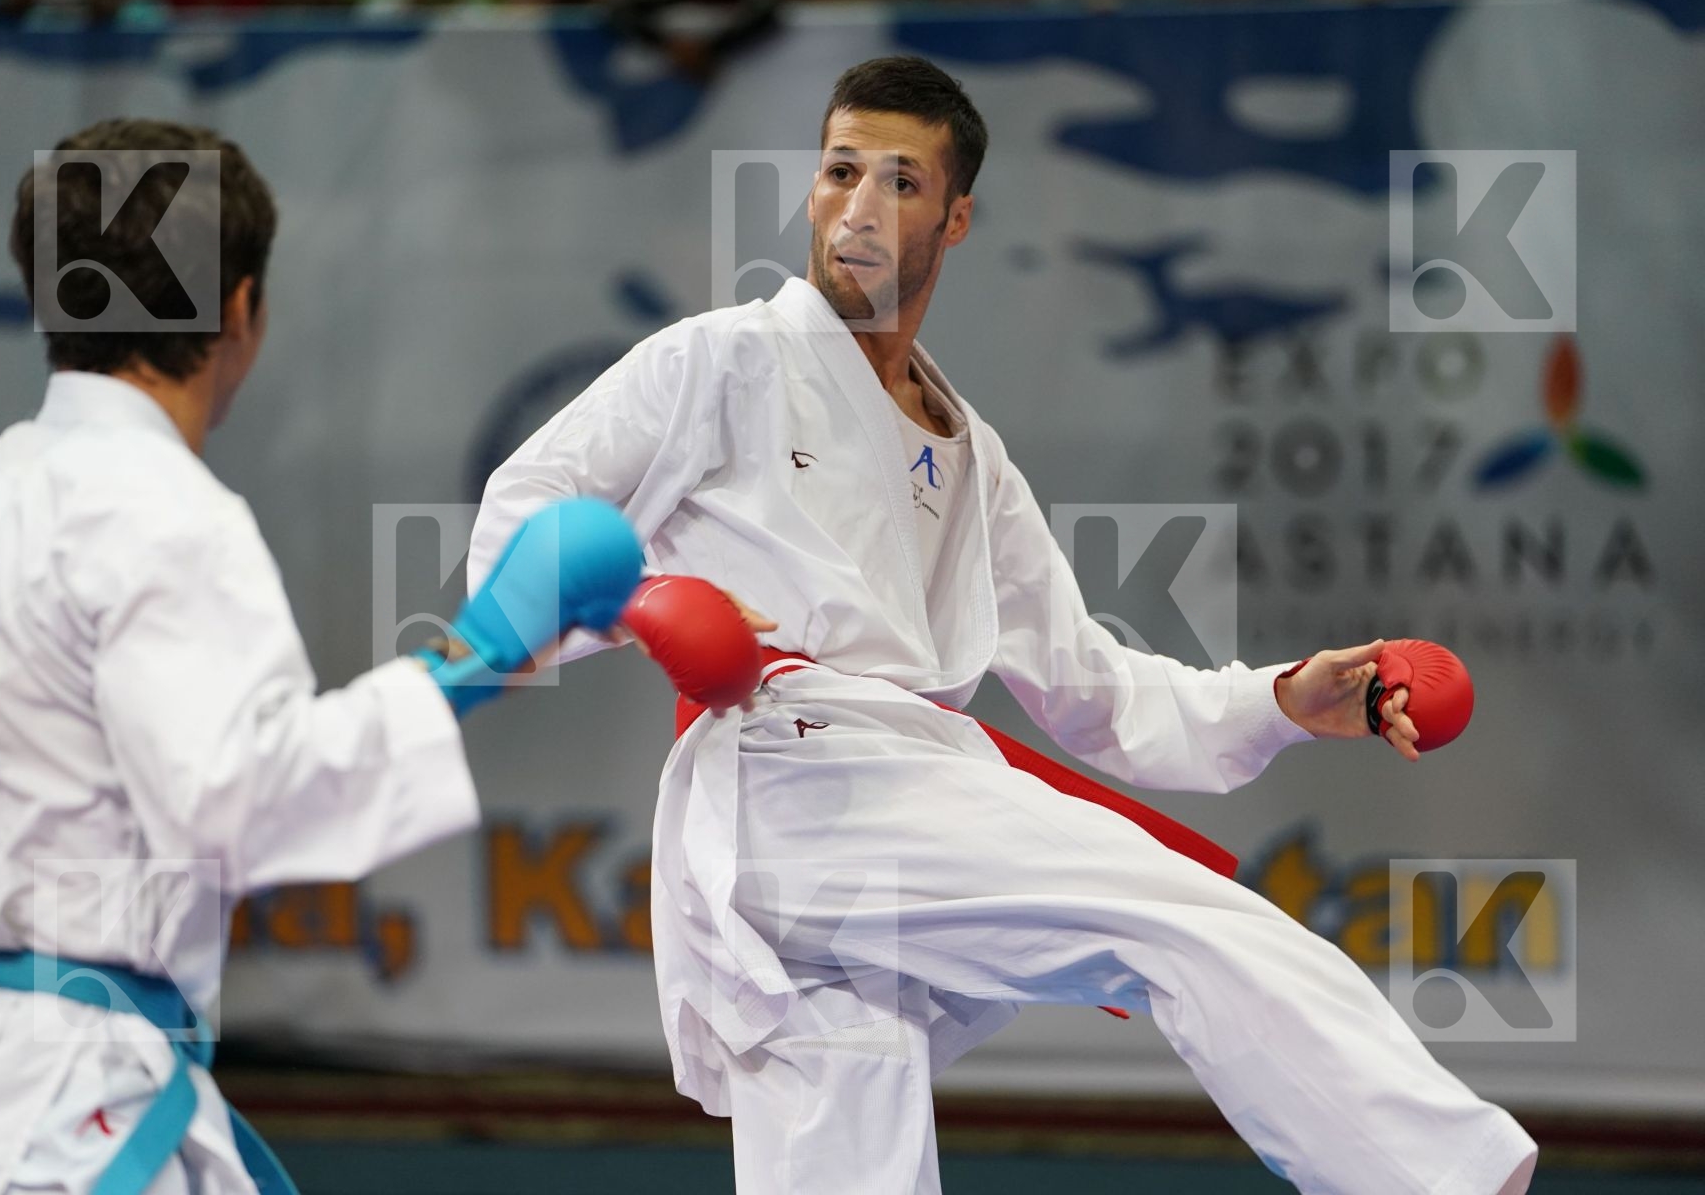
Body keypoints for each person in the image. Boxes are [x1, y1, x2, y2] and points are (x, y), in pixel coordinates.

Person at [469, 57, 1538, 1194]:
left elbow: (1094, 689)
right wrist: (644, 604)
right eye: (840, 172)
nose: (861, 209)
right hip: (791, 781)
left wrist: (1277, 700)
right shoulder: (723, 359)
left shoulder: (973, 455)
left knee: (847, 1158)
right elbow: (521, 519)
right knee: (1194, 923)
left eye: (900, 183)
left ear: (957, 218)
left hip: (896, 811)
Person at [0, 118, 642, 1194]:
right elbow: (237, 798)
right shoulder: (165, 513)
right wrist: (476, 658)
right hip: (65, 1114)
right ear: (241, 309)